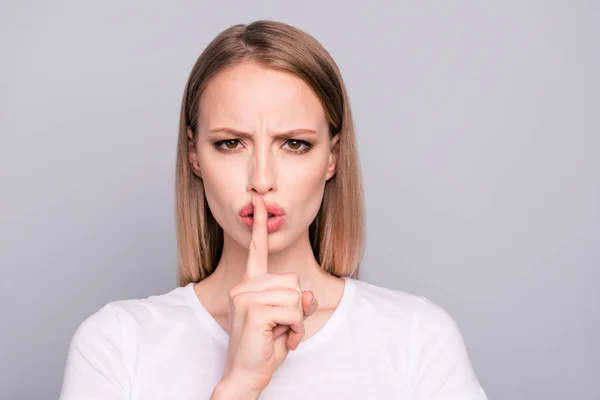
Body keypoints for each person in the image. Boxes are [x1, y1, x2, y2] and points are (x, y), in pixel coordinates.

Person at [59, 20, 488, 400]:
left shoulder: (416, 337)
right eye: (231, 143)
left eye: (294, 144)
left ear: (332, 158)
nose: (261, 179)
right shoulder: (117, 343)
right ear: (194, 155)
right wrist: (239, 385)